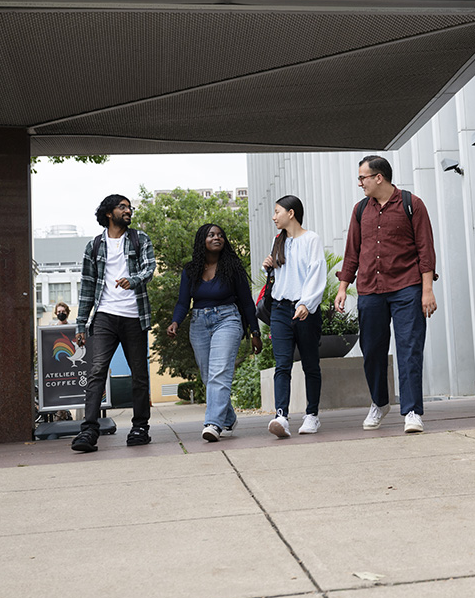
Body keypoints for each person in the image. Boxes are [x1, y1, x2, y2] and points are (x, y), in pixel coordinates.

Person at [336, 155, 437, 434]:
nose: (360, 183)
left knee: (410, 349)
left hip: (407, 287)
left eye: (362, 178)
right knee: (372, 351)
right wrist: (343, 286)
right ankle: (379, 403)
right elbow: (352, 251)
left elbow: (425, 250)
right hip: (370, 290)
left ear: (378, 177)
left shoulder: (411, 204)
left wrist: (427, 290)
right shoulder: (360, 210)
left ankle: (413, 410)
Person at [70, 194, 156, 453]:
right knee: (96, 372)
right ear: (109, 213)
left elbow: (149, 267)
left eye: (129, 207)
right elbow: (87, 287)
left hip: (134, 316)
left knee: (139, 374)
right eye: (123, 207)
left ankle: (140, 427)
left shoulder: (140, 239)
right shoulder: (94, 245)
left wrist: (134, 279)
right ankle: (89, 431)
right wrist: (81, 325)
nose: (128, 211)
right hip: (105, 315)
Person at [167, 223, 261, 442]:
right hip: (199, 322)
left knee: (219, 372)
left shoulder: (233, 267)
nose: (217, 238)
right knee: (208, 375)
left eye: (220, 235)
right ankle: (228, 417)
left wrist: (254, 331)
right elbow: (183, 302)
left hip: (227, 319)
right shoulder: (191, 270)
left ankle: (213, 424)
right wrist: (175, 322)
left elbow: (247, 302)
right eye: (211, 235)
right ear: (203, 240)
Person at [261, 195, 326, 438]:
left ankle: (312, 415)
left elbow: (316, 272)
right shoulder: (278, 240)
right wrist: (267, 265)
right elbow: (279, 275)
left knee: (310, 364)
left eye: (277, 211)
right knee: (282, 364)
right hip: (280, 309)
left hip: (305, 310)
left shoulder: (311, 239)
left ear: (291, 213)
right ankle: (281, 417)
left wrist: (306, 303)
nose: (274, 216)